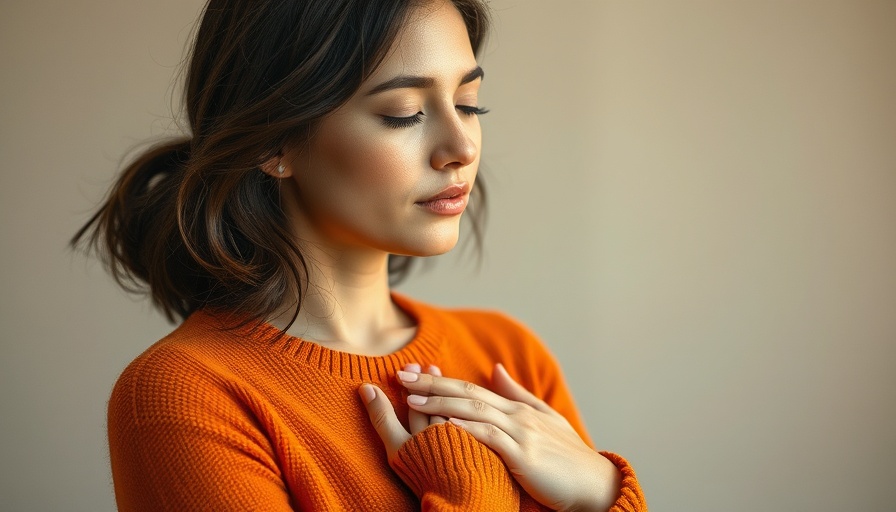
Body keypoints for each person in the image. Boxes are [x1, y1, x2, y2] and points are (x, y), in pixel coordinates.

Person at [72, 0, 647, 510]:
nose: (462, 147)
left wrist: (600, 490)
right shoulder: (186, 395)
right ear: (274, 142)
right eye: (404, 112)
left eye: (470, 103)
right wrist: (471, 493)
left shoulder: (508, 356)